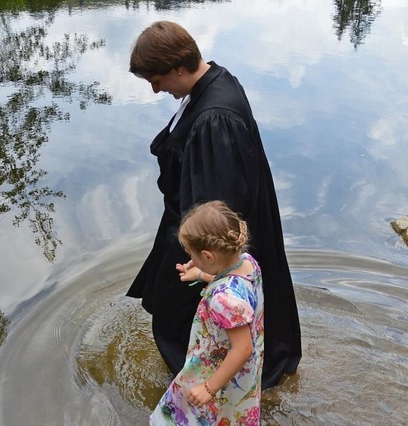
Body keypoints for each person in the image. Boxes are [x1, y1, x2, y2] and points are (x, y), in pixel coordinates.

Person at [127, 20, 301, 389]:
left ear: (178, 67)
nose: (156, 89)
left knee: (174, 316)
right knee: (177, 309)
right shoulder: (216, 81)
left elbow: (219, 202)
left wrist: (207, 265)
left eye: (156, 79)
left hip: (205, 238)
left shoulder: (215, 118)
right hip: (192, 225)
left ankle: (203, 386)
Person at [150, 200, 263, 425]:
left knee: (184, 412)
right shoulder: (247, 263)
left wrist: (209, 388)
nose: (191, 260)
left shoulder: (224, 299)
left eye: (192, 255)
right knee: (230, 412)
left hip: (216, 369)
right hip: (243, 372)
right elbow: (230, 283)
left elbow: (242, 348)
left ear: (208, 256)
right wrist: (201, 275)